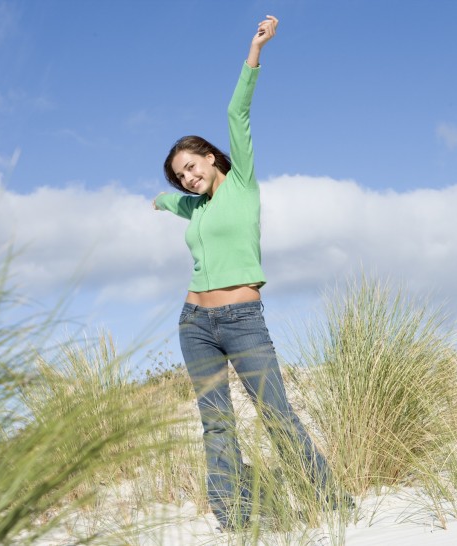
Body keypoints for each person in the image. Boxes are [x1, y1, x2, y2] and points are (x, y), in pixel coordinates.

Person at [153, 15, 341, 530]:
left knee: (276, 413)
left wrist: (255, 50)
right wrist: (160, 200)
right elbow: (171, 202)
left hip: (242, 317)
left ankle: (328, 500)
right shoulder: (192, 208)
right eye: (180, 176)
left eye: (192, 167)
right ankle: (231, 516)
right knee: (216, 423)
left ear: (212, 158)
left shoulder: (243, 185)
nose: (188, 178)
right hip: (194, 324)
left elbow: (238, 111)